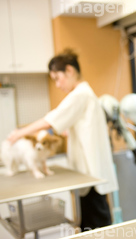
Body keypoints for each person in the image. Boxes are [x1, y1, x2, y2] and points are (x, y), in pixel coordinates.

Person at [7, 49, 119, 232]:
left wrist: (20, 133)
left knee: (97, 227)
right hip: (90, 174)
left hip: (91, 174)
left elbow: (50, 119)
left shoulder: (80, 94)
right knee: (93, 224)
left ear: (69, 70)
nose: (58, 84)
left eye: (58, 78)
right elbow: (78, 123)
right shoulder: (86, 94)